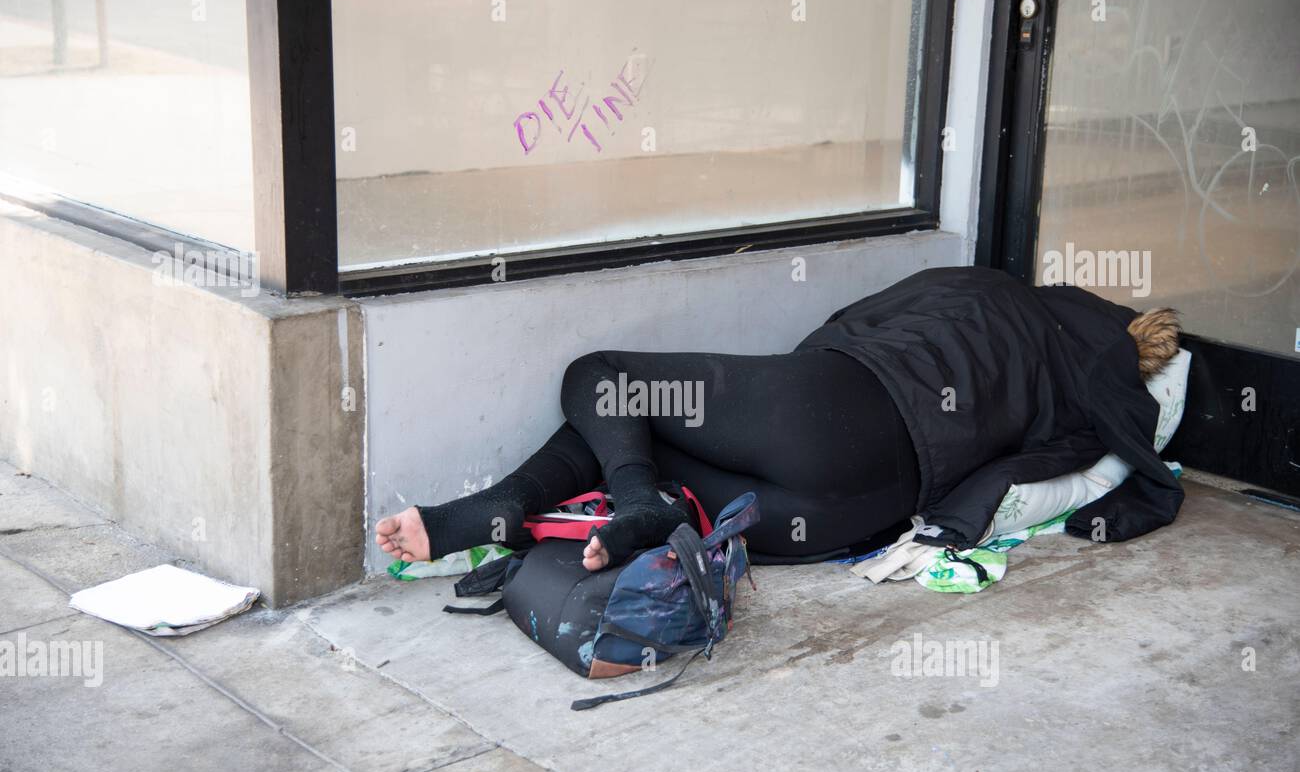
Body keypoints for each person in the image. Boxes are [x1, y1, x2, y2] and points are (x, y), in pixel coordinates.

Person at [375, 266, 1184, 571]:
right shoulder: (1088, 401)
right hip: (849, 514)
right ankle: (561, 511)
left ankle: (606, 504)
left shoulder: (996, 293)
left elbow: (860, 314)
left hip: (834, 411)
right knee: (639, 431)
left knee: (606, 379)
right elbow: (1067, 476)